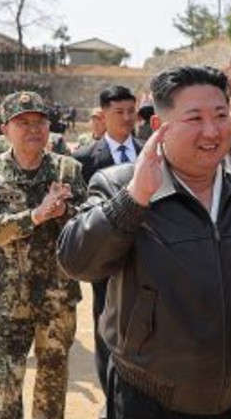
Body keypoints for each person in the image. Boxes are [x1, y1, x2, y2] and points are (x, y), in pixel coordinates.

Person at [58, 65, 231, 418]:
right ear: (158, 127)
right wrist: (135, 197)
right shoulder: (118, 184)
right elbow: (77, 262)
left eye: (221, 115)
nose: (212, 131)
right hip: (151, 394)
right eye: (194, 118)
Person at [0, 91, 86, 419]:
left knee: (52, 386)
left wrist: (66, 212)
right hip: (5, 299)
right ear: (5, 130)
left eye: (40, 122)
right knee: (3, 391)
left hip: (56, 298)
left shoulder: (68, 170)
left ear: (50, 127)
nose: (33, 129)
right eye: (23, 122)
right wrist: (36, 216)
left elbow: (88, 229)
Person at [71, 85, 143, 416]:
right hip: (105, 260)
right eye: (119, 113)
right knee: (106, 327)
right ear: (103, 115)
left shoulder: (152, 152)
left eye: (131, 111)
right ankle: (111, 399)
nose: (128, 119)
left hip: (147, 256)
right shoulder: (84, 159)